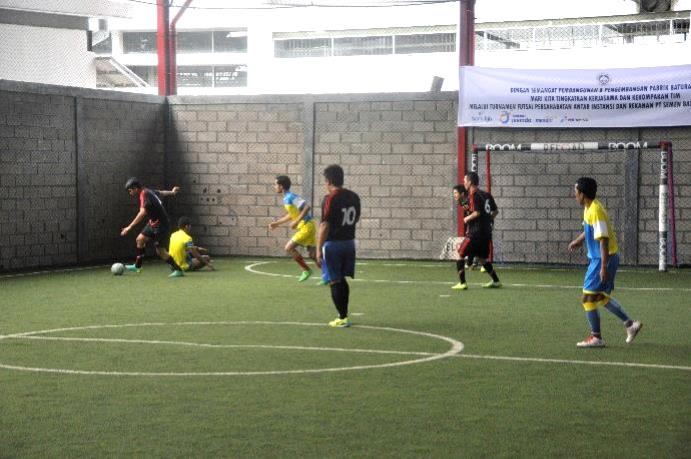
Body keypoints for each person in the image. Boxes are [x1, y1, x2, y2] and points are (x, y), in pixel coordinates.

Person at [568, 177, 642, 348]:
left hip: (603, 258)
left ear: (582, 194)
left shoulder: (596, 210)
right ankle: (630, 325)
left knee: (588, 298)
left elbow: (603, 240)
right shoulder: (589, 208)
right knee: (599, 297)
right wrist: (578, 241)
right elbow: (590, 230)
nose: (574, 195)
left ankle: (596, 337)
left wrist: (603, 267)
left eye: (576, 192)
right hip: (602, 258)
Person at [316, 165, 361, 328]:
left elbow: (324, 225)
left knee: (334, 281)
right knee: (341, 279)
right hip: (349, 243)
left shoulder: (330, 198)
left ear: (328, 181)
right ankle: (344, 315)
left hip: (333, 245)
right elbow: (356, 218)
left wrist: (318, 249)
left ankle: (342, 317)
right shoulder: (354, 196)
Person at [120, 177, 184, 278]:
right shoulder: (147, 191)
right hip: (153, 223)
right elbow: (161, 193)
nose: (130, 192)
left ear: (135, 188)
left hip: (162, 225)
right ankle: (137, 266)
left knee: (160, 251)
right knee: (140, 240)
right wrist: (172, 192)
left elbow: (142, 213)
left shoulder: (145, 195)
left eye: (130, 190)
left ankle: (178, 270)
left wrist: (129, 227)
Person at [451, 172, 501, 290]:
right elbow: (495, 211)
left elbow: (477, 213)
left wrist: (466, 218)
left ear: (470, 182)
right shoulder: (487, 195)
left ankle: (462, 283)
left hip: (476, 233)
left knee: (459, 253)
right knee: (482, 258)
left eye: (465, 180)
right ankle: (496, 281)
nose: (464, 182)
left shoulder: (473, 195)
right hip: (486, 233)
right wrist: (488, 220)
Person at [269, 175, 322, 282]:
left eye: (275, 184)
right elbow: (291, 214)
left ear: (281, 186)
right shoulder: (286, 198)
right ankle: (329, 275)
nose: (274, 186)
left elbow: (307, 207)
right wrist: (277, 223)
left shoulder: (291, 197)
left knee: (289, 248)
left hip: (307, 226)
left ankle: (306, 270)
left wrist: (296, 221)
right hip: (306, 226)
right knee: (313, 254)